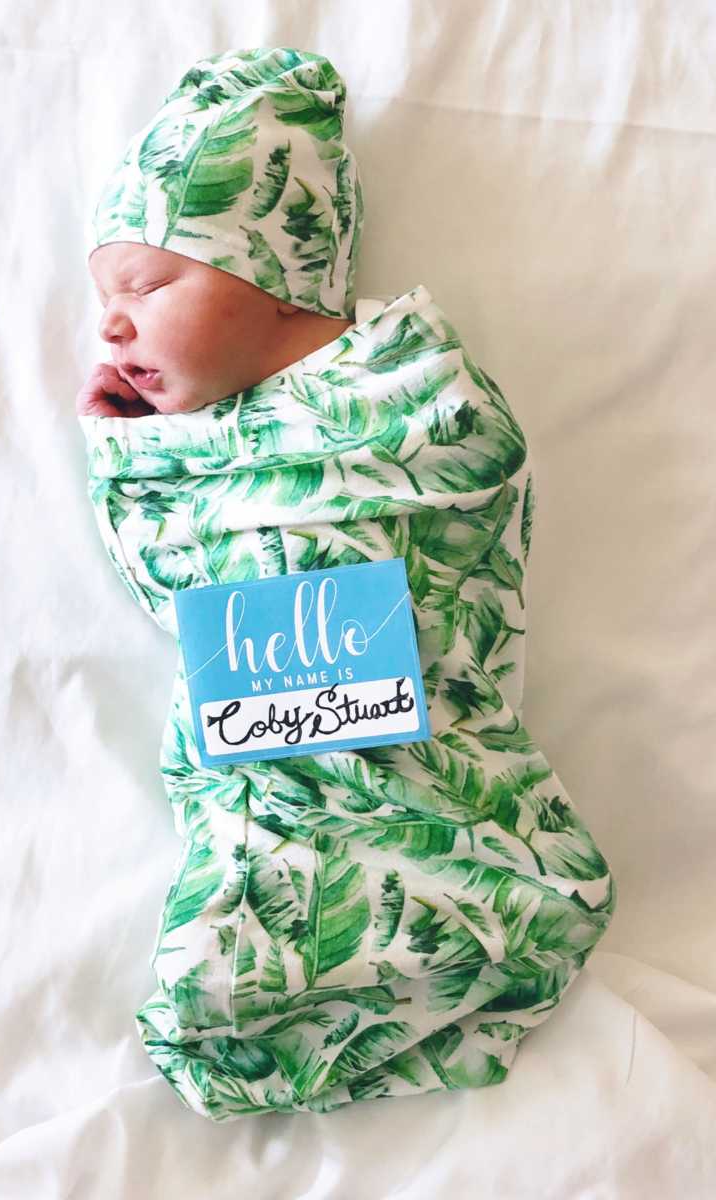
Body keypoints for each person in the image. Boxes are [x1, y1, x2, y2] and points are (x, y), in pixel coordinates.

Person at [76, 45, 617, 1123]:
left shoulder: (414, 393)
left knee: (405, 884)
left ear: (273, 276)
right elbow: (178, 593)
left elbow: (478, 492)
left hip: (424, 750)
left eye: (143, 284)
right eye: (104, 300)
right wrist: (134, 459)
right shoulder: (201, 446)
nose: (112, 323)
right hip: (268, 775)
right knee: (234, 942)